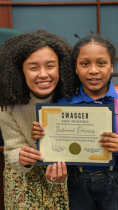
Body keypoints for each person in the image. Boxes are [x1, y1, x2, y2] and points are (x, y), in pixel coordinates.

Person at [32, 33, 118, 210]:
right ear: (75, 68)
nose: (93, 70)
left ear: (112, 67)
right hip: (76, 183)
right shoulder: (62, 105)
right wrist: (41, 137)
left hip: (116, 182)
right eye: (85, 64)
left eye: (101, 63)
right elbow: (55, 146)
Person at [0, 30, 74, 209]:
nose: (43, 74)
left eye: (50, 66)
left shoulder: (71, 97)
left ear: (61, 67)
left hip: (62, 173)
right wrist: (21, 156)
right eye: (33, 68)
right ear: (20, 70)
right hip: (23, 178)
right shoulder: (7, 103)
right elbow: (11, 150)